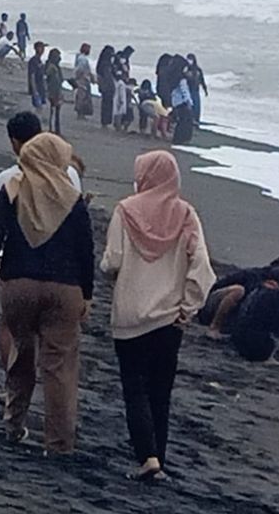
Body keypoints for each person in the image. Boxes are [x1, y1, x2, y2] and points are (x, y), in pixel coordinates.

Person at [100, 151, 215, 482]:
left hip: (130, 316)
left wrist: (109, 271)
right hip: (169, 320)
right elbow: (202, 270)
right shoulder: (186, 215)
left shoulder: (125, 211)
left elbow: (113, 261)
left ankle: (147, 456)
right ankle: (158, 457)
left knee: (134, 387)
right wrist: (188, 308)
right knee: (160, 391)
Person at [0, 133, 94, 453]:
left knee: (22, 350)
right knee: (59, 366)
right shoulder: (71, 197)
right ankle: (58, 442)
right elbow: (85, 249)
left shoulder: (14, 188)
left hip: (18, 283)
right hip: (64, 288)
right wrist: (86, 293)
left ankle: (14, 422)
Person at [198, 257, 279, 339]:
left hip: (235, 314)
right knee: (238, 291)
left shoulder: (272, 288)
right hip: (211, 305)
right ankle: (214, 327)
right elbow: (218, 285)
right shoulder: (250, 275)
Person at [230, 268, 279, 362]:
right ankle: (269, 357)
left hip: (237, 340)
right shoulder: (275, 296)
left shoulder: (257, 290)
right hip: (258, 347)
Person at [169, 56, 195, 145]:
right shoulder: (182, 79)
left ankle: (178, 139)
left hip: (175, 102)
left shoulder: (173, 77)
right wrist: (189, 102)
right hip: (182, 102)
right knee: (185, 122)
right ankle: (181, 139)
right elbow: (185, 91)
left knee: (180, 121)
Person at [44, 48, 65, 136]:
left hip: (57, 91)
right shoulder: (51, 66)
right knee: (53, 111)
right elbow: (46, 77)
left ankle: (56, 129)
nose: (59, 58)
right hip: (52, 91)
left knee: (56, 111)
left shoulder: (56, 67)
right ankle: (52, 129)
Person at [96, 45, 117, 129]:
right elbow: (108, 76)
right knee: (107, 105)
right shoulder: (106, 64)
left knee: (105, 104)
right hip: (107, 87)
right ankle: (105, 122)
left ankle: (104, 122)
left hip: (104, 87)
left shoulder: (101, 63)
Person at [73, 43, 94, 120]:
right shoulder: (83, 59)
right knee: (83, 97)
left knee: (81, 96)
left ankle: (80, 114)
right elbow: (80, 69)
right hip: (83, 79)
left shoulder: (79, 57)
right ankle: (80, 114)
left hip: (81, 79)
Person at [26, 41, 47, 118]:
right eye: (42, 47)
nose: (43, 50)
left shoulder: (39, 60)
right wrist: (34, 90)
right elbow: (32, 76)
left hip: (41, 87)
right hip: (37, 88)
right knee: (38, 107)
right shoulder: (33, 61)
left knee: (40, 107)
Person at [187, 53, 208, 125]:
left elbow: (202, 80)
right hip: (188, 89)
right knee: (190, 106)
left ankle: (196, 119)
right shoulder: (186, 69)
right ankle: (191, 119)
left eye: (190, 59)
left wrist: (205, 89)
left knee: (197, 106)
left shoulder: (198, 70)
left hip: (195, 90)